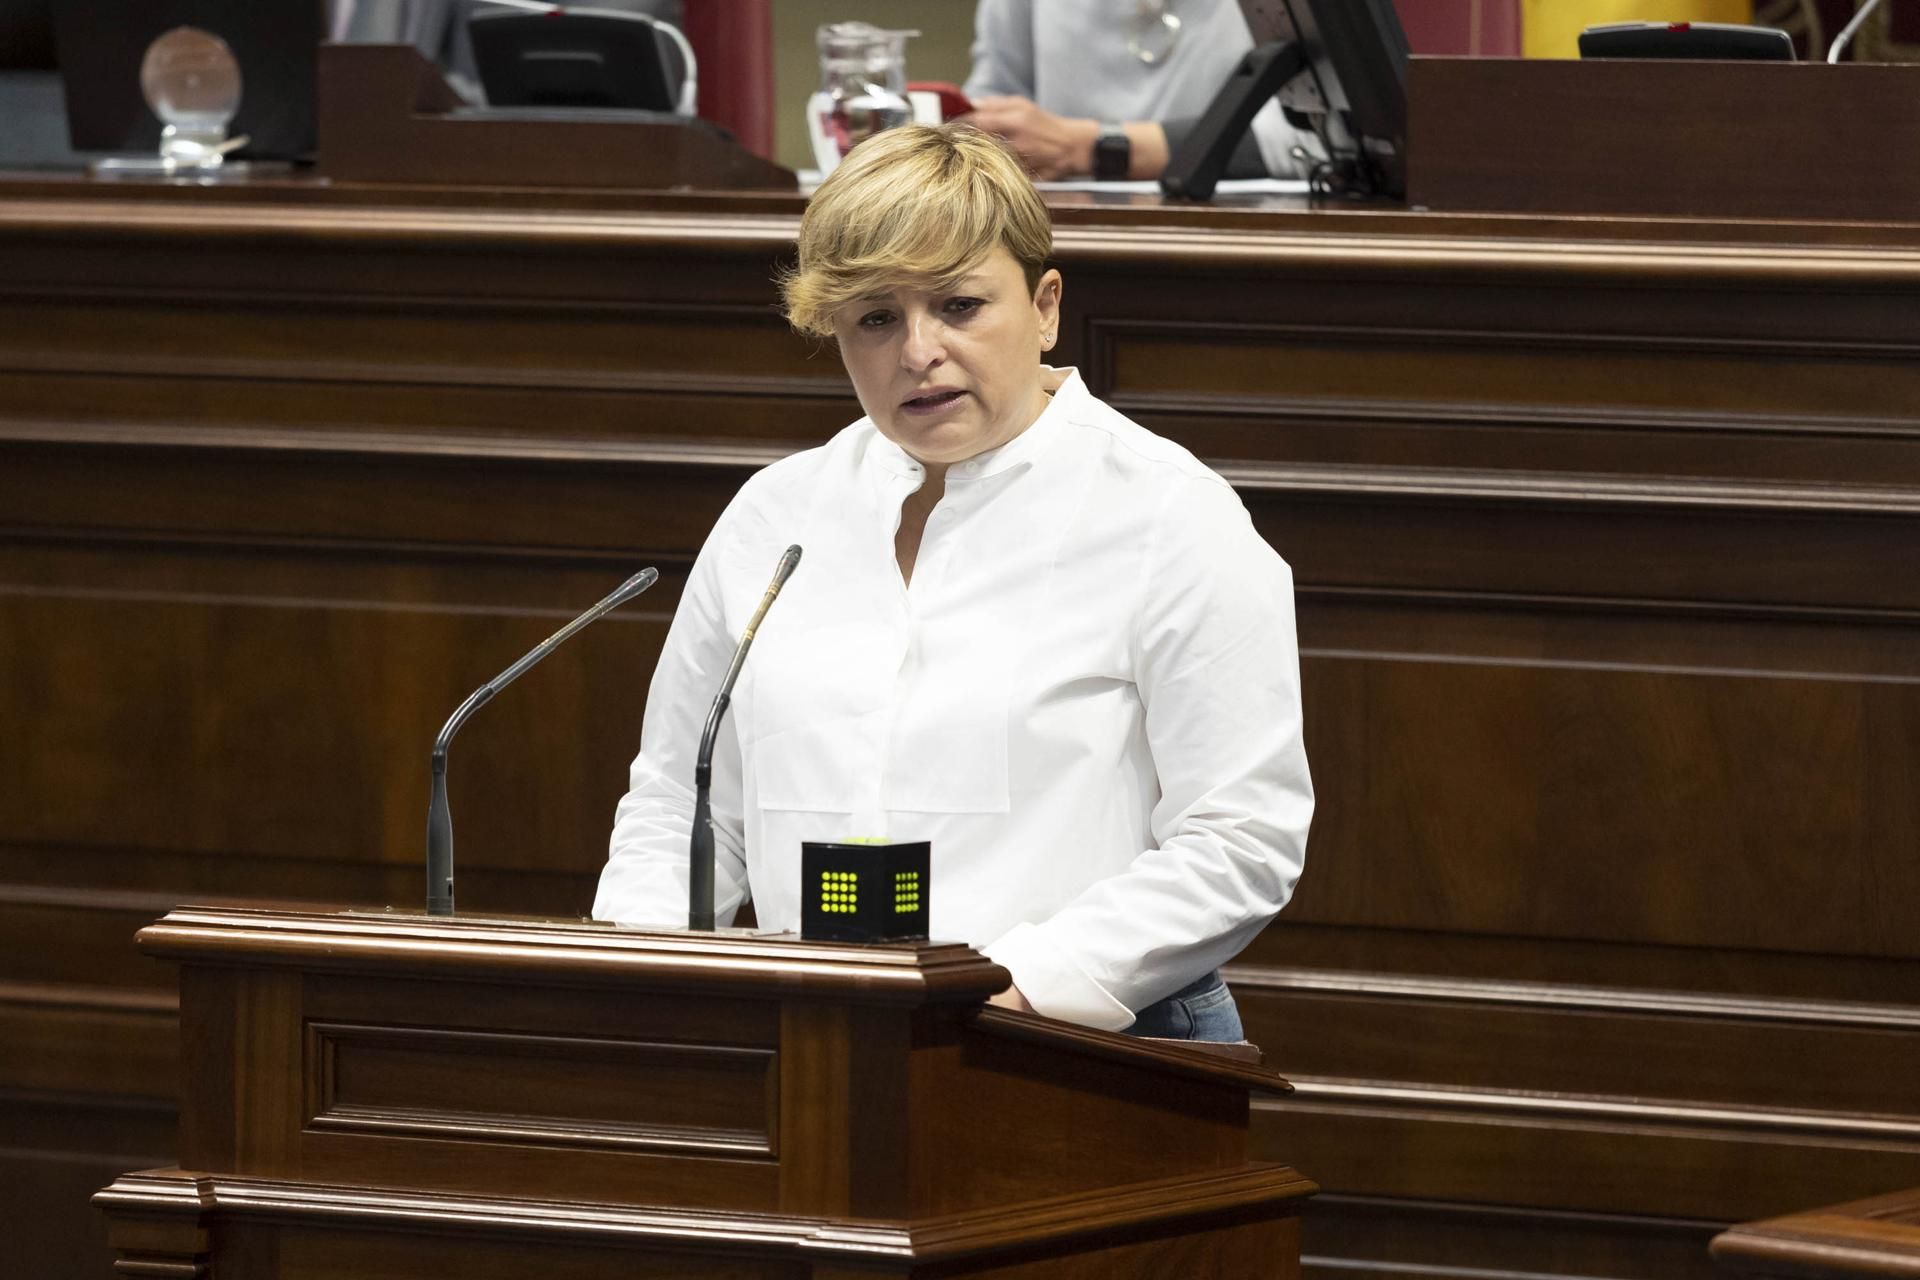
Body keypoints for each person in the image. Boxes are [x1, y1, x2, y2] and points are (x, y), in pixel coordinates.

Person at [593, 123, 1312, 1040]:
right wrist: (639, 988)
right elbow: (681, 809)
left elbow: (1243, 838)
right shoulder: (775, 517)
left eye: (959, 306)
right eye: (875, 319)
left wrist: (1013, 993)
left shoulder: (1170, 516)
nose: (917, 351)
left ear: (1045, 307)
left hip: (1087, 1043)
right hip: (812, 1040)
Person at [962, 0, 1314, 180]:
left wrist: (1085, 147)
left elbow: (1314, 135)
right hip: (1062, 237)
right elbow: (993, 105)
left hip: (1236, 236)